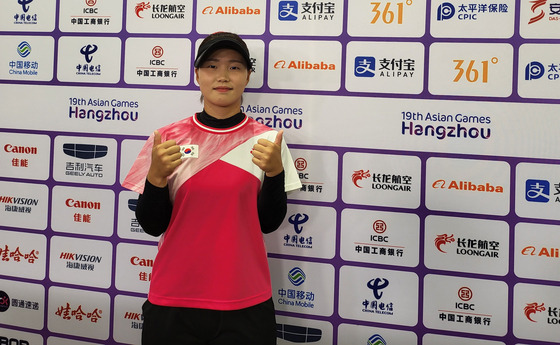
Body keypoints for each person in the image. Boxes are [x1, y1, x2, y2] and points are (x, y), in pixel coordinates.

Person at [122, 31, 302, 345]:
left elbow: (269, 222)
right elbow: (152, 225)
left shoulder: (269, 141)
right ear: (197, 74)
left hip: (245, 300)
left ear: (248, 76)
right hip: (173, 300)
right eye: (211, 66)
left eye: (234, 67)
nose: (222, 76)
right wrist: (155, 178)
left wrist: (275, 174)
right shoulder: (167, 138)